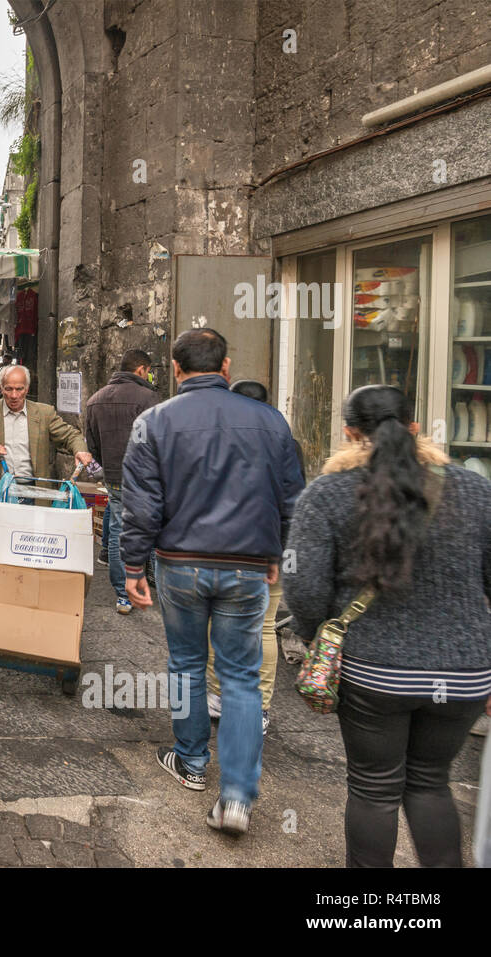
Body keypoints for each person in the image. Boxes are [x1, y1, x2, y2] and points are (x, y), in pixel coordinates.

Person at [283, 385, 491, 866]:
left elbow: (305, 590)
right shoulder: (478, 491)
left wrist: (319, 635)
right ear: (416, 428)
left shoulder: (327, 495)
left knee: (375, 789)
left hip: (374, 672)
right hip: (464, 675)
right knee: (431, 782)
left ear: (349, 434)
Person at [120, 328, 304, 836]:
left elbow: (140, 507)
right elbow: (292, 498)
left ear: (176, 370)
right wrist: (277, 553)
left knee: (185, 663)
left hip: (180, 564)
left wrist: (133, 568)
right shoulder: (270, 422)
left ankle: (192, 762)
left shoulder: (153, 422)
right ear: (225, 368)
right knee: (242, 677)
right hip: (248, 566)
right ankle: (238, 798)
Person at [205, 378, 307, 734]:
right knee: (263, 628)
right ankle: (259, 707)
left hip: (223, 548)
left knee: (217, 624)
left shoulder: (218, 441)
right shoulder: (288, 444)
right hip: (270, 549)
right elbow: (293, 503)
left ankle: (217, 698)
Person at [0, 364, 92, 520]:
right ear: (0, 387)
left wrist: (80, 450)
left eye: (20, 389)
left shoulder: (44, 413)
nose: (14, 395)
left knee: (30, 543)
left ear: (27, 389)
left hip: (34, 494)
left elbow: (70, 435)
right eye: (8, 389)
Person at [83, 349, 158, 615]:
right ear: (141, 370)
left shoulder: (95, 400)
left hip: (114, 476)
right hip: (145, 478)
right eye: (148, 371)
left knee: (116, 532)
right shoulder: (148, 398)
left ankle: (122, 594)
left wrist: (105, 468)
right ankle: (152, 583)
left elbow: (91, 444)